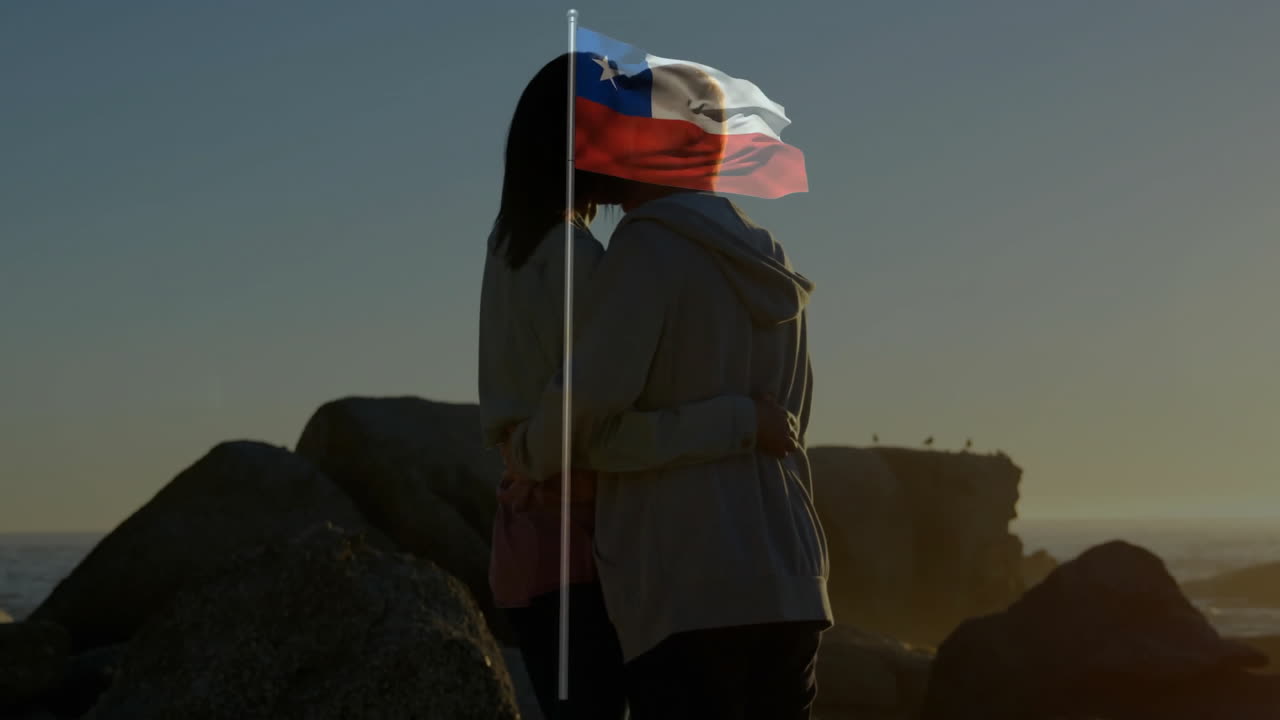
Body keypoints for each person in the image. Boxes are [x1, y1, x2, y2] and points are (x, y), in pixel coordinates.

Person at [478, 52, 800, 720]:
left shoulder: (517, 247)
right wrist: (741, 423)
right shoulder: (590, 261)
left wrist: (526, 449)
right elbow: (590, 431)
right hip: (595, 547)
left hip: (542, 544)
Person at [507, 175, 832, 719]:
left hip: (689, 579)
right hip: (792, 574)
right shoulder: (768, 254)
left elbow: (586, 424)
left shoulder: (645, 250)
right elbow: (791, 422)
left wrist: (528, 455)